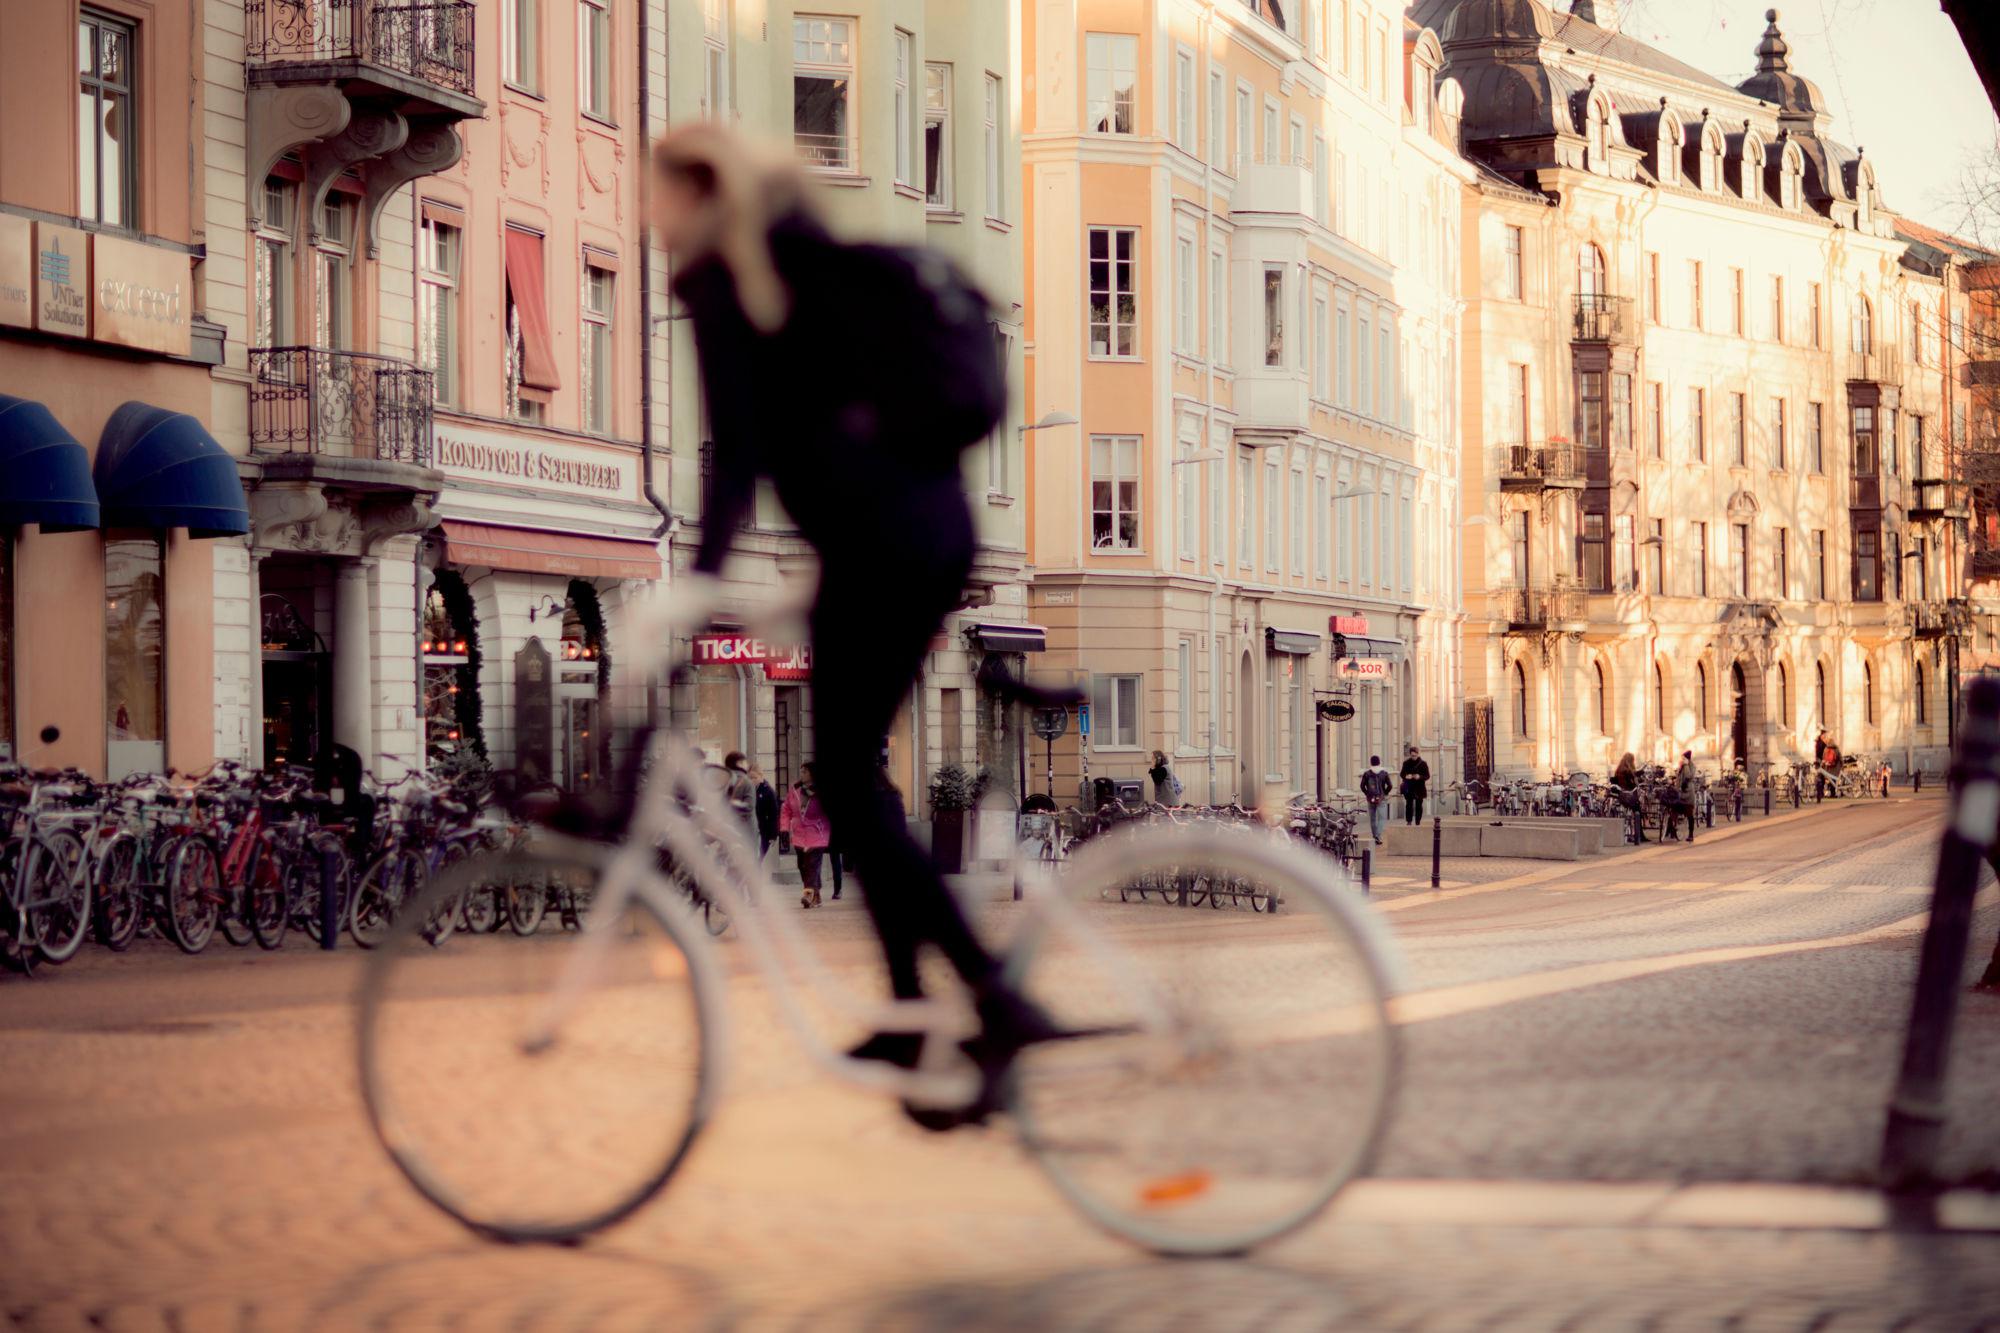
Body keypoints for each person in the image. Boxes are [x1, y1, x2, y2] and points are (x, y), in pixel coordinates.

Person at [651, 124, 1068, 1116]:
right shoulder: (815, 265)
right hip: (925, 533)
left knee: (846, 779)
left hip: (882, 547)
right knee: (853, 780)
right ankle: (916, 1007)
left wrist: (695, 586)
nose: (648, 209)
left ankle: (985, 994)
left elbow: (738, 457)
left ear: (697, 194)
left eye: (656, 189)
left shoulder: (728, 282)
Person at [780, 763, 832, 908]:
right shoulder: (795, 789)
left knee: (812, 866)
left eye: (805, 772)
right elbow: (786, 810)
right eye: (801, 771)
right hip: (799, 835)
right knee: (802, 866)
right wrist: (784, 829)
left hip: (817, 834)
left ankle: (808, 895)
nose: (801, 774)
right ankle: (817, 895)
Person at [1611, 752, 1646, 843]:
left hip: (1621, 796)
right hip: (1628, 796)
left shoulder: (1619, 769)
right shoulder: (1627, 771)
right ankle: (1639, 835)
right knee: (1638, 811)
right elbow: (1632, 782)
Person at [1359, 755, 1393, 845]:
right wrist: (1385, 793)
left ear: (1371, 762)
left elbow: (1362, 786)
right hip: (1381, 798)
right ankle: (1378, 835)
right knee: (1381, 818)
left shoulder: (1367, 773)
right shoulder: (1384, 773)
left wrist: (1367, 794)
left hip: (1371, 798)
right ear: (1379, 762)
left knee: (1373, 819)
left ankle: (1375, 836)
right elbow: (1390, 786)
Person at [751, 764, 780, 860]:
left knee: (757, 859)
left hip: (763, 831)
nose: (752, 780)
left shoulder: (768, 791)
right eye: (750, 778)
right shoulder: (749, 790)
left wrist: (773, 835)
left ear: (761, 776)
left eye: (754, 777)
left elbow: (773, 814)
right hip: (751, 829)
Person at [1398, 746, 1430, 826]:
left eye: (1415, 755)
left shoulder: (1423, 763)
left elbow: (1427, 776)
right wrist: (1406, 776)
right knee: (1409, 804)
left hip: (1419, 787)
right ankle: (1409, 821)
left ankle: (1418, 821)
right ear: (1410, 754)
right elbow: (1402, 774)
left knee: (1419, 805)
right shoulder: (1406, 763)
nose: (1414, 757)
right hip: (1409, 786)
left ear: (1418, 754)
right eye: (1412, 756)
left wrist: (1419, 777)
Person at [1674, 750, 1700, 843]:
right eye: (1682, 758)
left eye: (1684, 758)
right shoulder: (1682, 766)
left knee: (1690, 815)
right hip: (1681, 793)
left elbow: (1688, 776)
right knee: (1674, 808)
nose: (1682, 760)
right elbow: (1678, 778)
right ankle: (1673, 829)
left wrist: (1685, 765)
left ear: (1687, 759)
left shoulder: (1691, 766)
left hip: (1688, 794)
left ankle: (1691, 834)